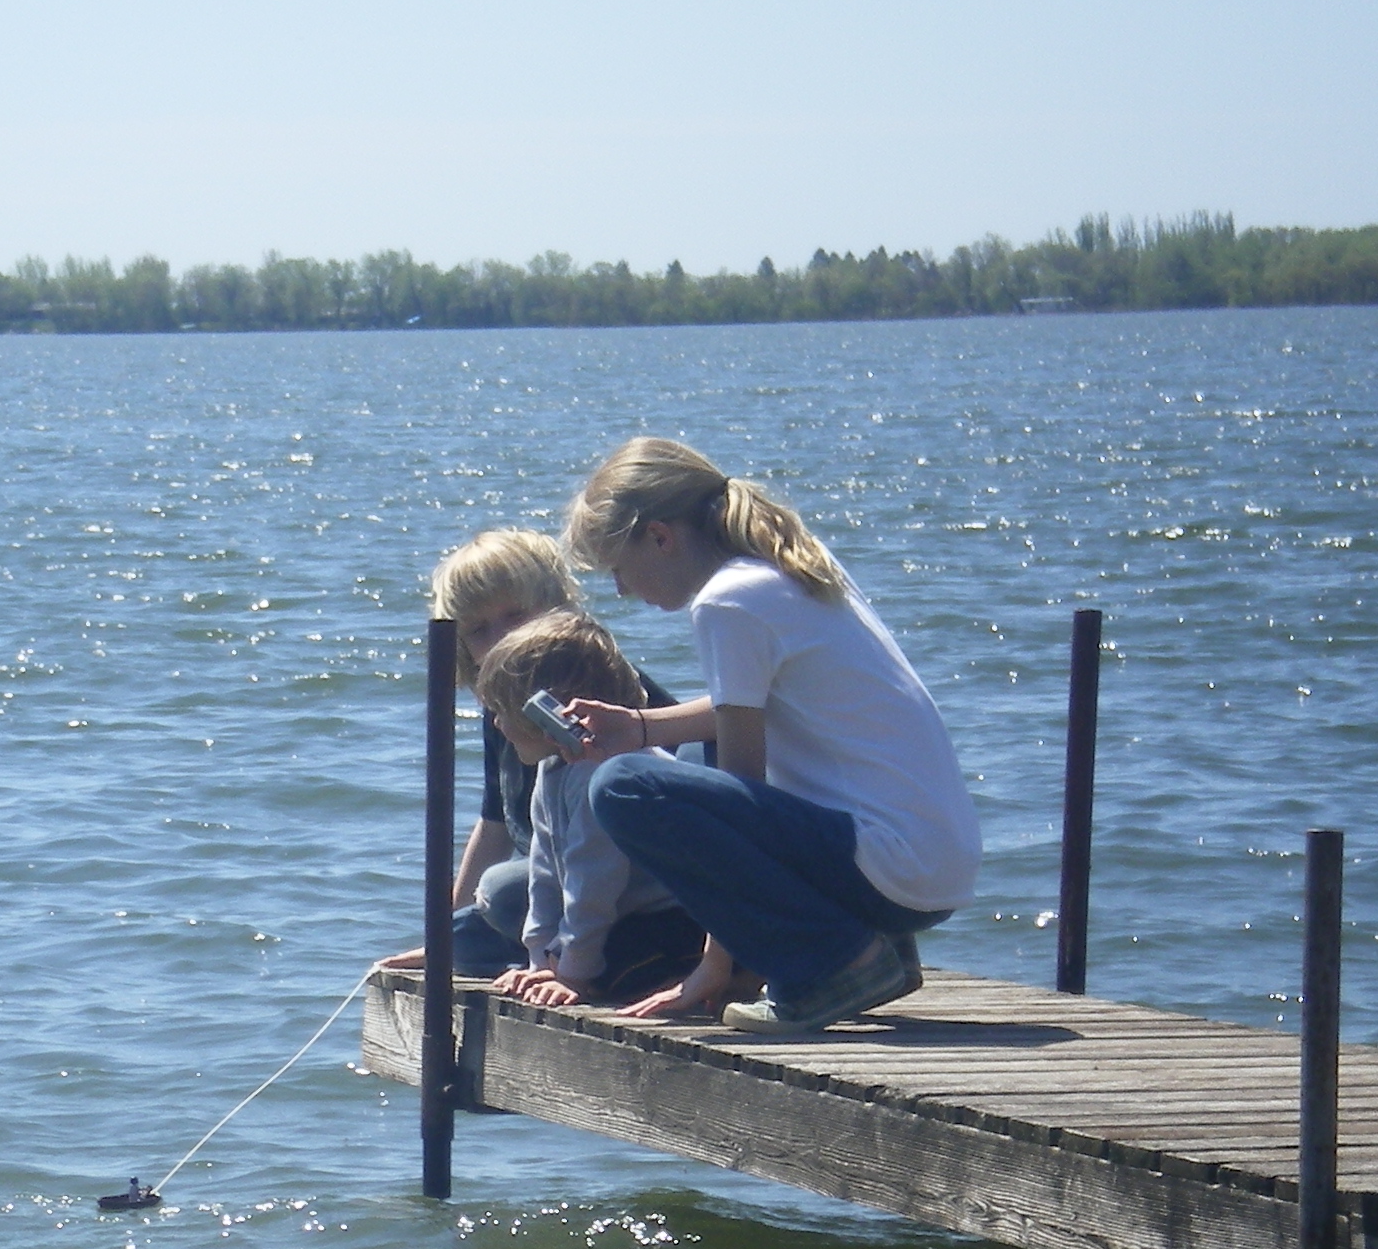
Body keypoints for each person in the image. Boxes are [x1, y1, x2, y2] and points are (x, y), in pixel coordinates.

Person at [559, 439, 978, 1034]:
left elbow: (741, 789)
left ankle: (837, 965)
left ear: (659, 537)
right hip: (932, 864)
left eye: (617, 569)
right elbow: (750, 711)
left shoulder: (726, 602)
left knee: (623, 786)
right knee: (669, 761)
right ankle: (868, 945)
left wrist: (716, 965)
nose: (622, 589)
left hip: (890, 866)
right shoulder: (787, 571)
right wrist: (641, 726)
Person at [379, 527, 689, 981]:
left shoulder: (604, 697)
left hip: (641, 887)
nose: (501, 638)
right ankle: (541, 956)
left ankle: (613, 960)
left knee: (501, 893)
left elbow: (606, 857)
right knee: (462, 935)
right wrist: (441, 939)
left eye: (516, 616)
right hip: (561, 883)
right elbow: (496, 822)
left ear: (557, 609)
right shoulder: (502, 710)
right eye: (479, 630)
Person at [473, 612, 706, 1009]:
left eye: (504, 711)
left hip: (676, 918)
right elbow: (546, 873)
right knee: (492, 930)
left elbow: (592, 884)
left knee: (612, 978)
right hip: (624, 914)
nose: (496, 723)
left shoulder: (601, 773)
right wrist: (539, 961)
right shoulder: (555, 767)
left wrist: (572, 976)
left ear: (547, 712)